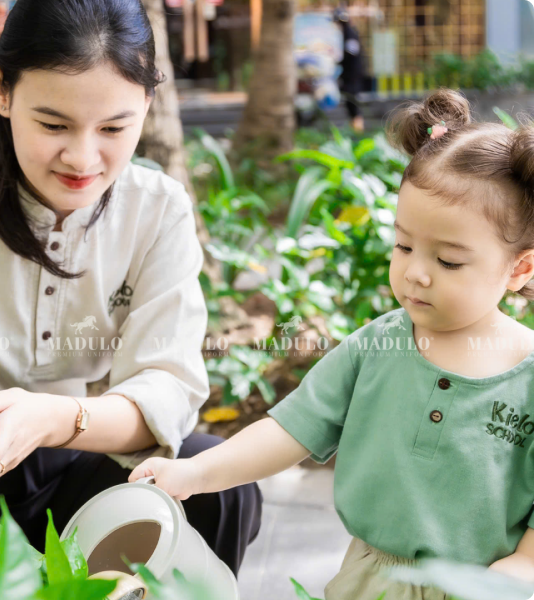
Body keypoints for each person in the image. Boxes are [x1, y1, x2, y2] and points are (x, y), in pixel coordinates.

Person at [130, 88, 534, 598]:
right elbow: (292, 429)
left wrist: (519, 571)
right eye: (403, 245)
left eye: (448, 261)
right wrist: (196, 472)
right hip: (368, 579)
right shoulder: (378, 346)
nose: (415, 272)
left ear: (519, 268)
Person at [0, 0, 262, 577]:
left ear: (148, 104)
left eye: (113, 128)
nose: (83, 158)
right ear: (1, 89)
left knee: (215, 481)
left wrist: (57, 419)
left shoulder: (156, 210)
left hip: (78, 461)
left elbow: (166, 390)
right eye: (53, 125)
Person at [333, 6, 365, 133]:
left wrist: (338, 61)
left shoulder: (350, 34)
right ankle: (355, 128)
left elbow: (351, 54)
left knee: (352, 102)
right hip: (349, 74)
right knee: (349, 101)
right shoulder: (346, 34)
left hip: (352, 75)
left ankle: (358, 129)